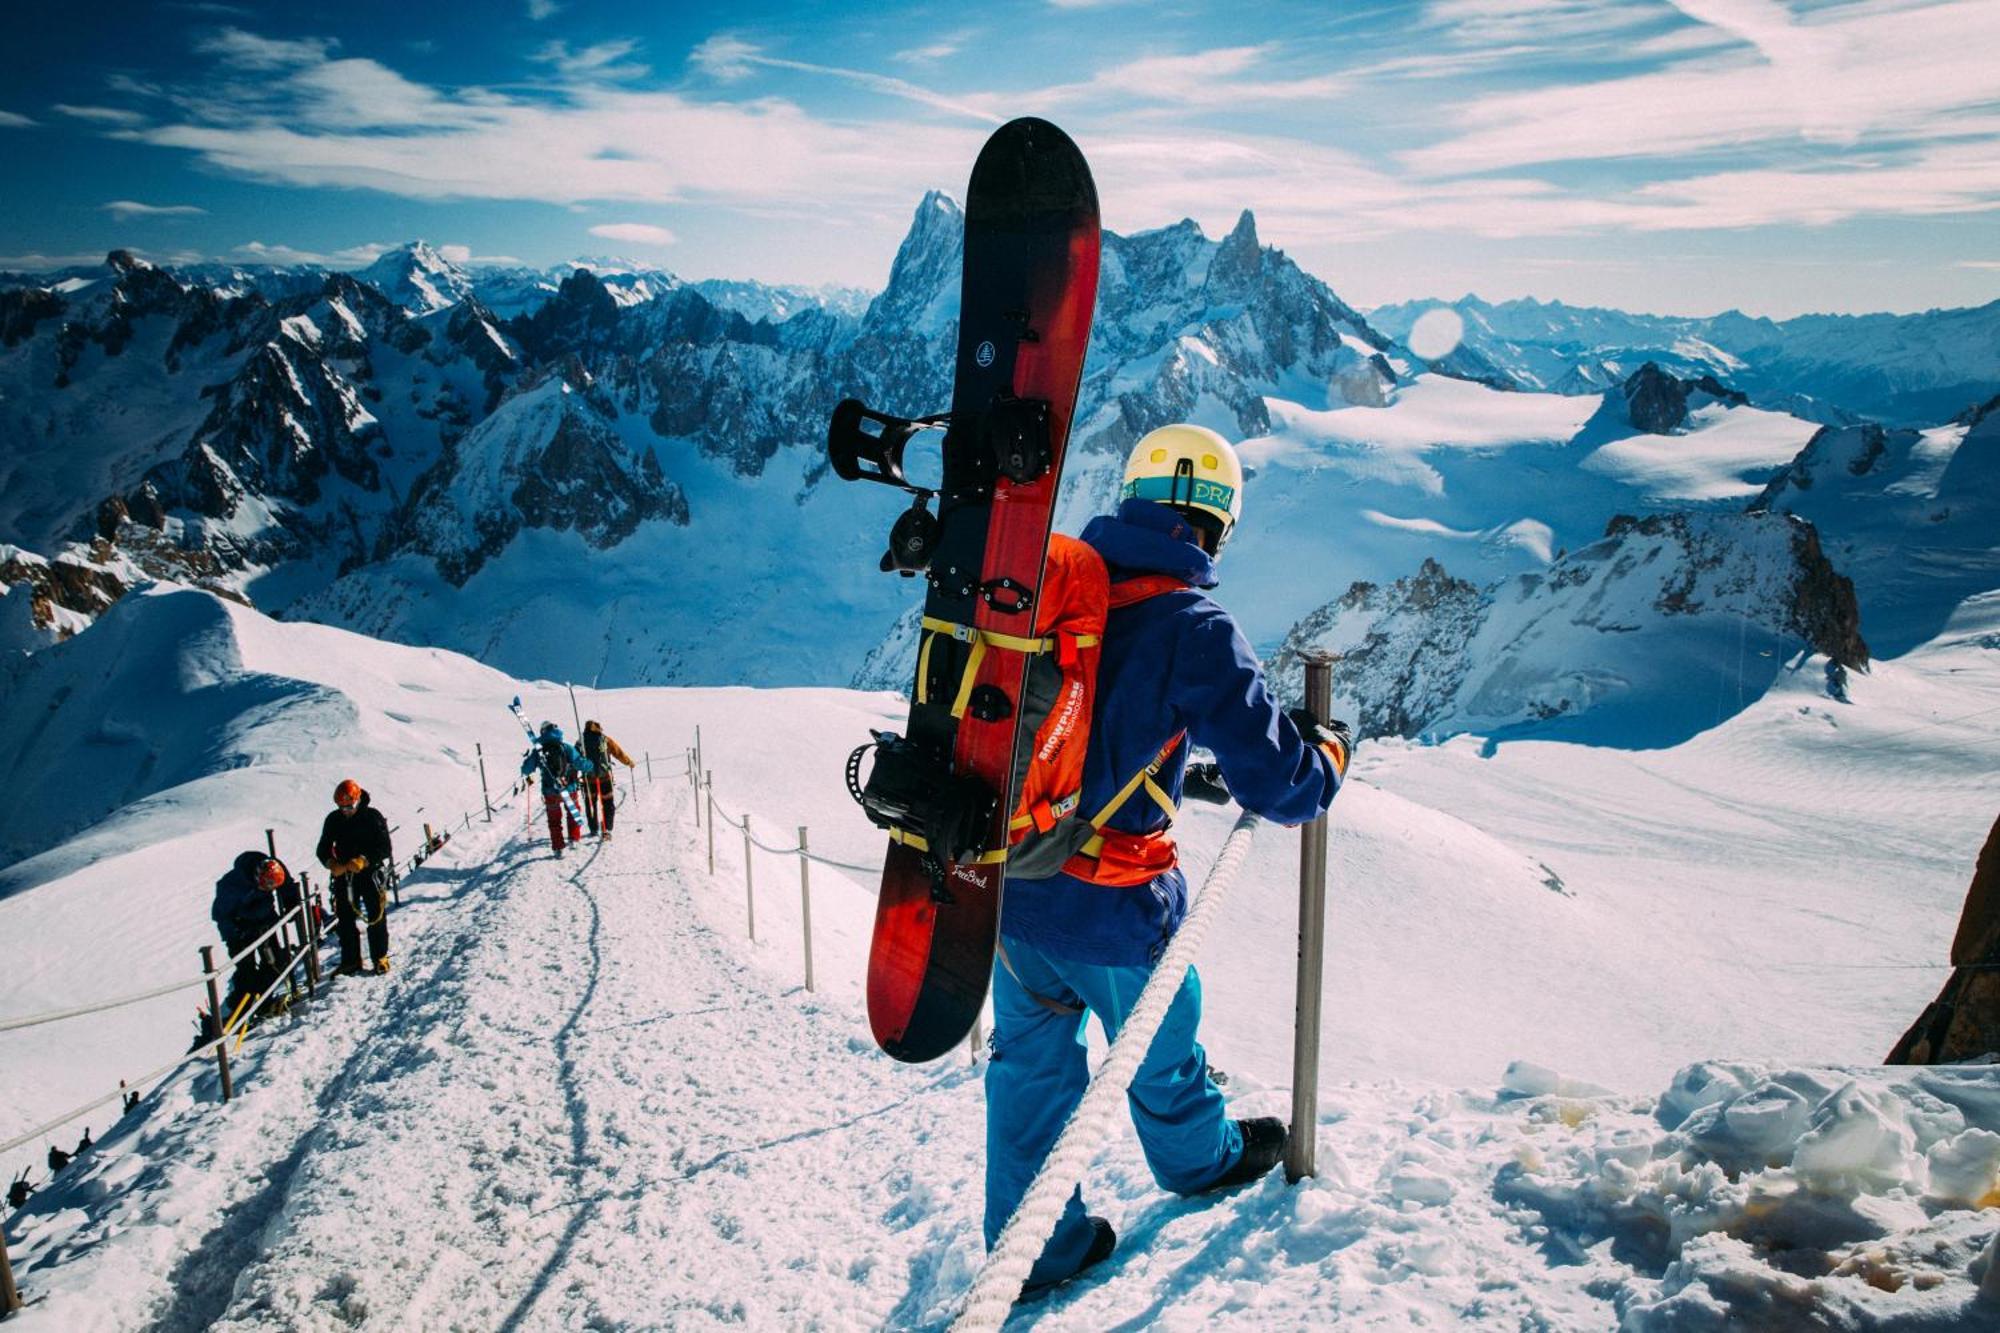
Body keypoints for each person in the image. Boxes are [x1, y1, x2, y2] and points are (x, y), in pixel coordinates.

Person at [985, 424, 1351, 1297]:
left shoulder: (1056, 588)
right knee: (1159, 1041)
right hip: (1113, 908)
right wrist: (1329, 751)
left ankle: (1035, 1248)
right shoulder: (1193, 625)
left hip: (1013, 885)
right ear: (1215, 525)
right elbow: (1285, 788)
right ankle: (1200, 1161)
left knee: (1029, 1070)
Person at [209, 851, 302, 1024]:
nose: (270, 890)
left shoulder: (274, 868)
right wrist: (235, 935)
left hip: (265, 923)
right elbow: (221, 915)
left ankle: (263, 1001)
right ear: (257, 877)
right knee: (246, 971)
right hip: (240, 931)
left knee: (274, 963)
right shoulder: (232, 886)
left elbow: (287, 885)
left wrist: (291, 902)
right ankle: (240, 1010)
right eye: (267, 886)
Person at [316, 778, 394, 976]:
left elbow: (384, 848)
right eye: (341, 807)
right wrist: (331, 863)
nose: (346, 810)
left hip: (369, 874)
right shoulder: (333, 819)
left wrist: (364, 860)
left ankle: (379, 957)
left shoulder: (372, 817)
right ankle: (350, 960)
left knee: (376, 915)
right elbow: (322, 848)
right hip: (344, 875)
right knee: (345, 919)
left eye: (349, 806)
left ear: (358, 800)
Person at [522, 722, 592, 855]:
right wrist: (589, 764)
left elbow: (526, 769)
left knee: (554, 820)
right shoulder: (566, 747)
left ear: (542, 732)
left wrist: (528, 761)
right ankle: (574, 839)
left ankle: (558, 848)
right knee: (573, 814)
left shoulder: (539, 750)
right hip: (569, 788)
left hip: (550, 791)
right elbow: (581, 764)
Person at [578, 719, 637, 838]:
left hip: (588, 779)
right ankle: (607, 828)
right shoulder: (605, 740)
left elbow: (575, 759)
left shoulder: (581, 742)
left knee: (591, 804)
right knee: (607, 803)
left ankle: (593, 829)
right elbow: (618, 753)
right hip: (605, 777)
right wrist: (629, 762)